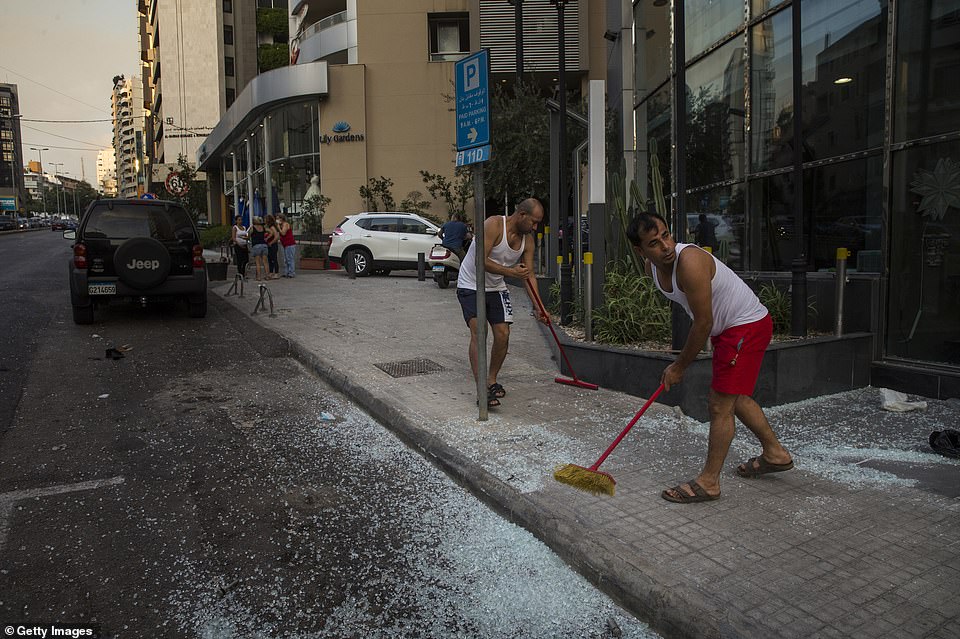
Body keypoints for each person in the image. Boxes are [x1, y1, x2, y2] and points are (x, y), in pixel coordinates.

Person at [625, 211, 793, 503]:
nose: (665, 246)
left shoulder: (689, 262)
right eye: (654, 243)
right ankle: (775, 453)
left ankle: (709, 482)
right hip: (729, 329)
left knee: (719, 403)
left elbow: (702, 322)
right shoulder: (654, 267)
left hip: (744, 327)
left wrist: (679, 367)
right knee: (733, 396)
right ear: (641, 251)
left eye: (666, 235)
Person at [456, 198, 549, 409]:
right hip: (471, 283)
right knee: (479, 332)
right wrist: (511, 272)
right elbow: (481, 260)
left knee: (503, 334)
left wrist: (539, 307)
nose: (535, 227)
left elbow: (529, 275)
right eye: (533, 222)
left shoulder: (528, 240)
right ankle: (481, 390)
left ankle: (491, 380)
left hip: (496, 287)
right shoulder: (494, 224)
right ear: (522, 214)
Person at [248, 216, 269, 281]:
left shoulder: (252, 228)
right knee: (265, 262)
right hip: (264, 245)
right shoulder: (263, 227)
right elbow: (270, 231)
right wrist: (266, 238)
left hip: (256, 246)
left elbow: (248, 235)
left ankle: (259, 277)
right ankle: (267, 276)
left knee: (258, 262)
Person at [277, 214, 297, 278]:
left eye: (278, 218)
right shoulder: (281, 225)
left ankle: (291, 272)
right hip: (285, 244)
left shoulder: (285, 224)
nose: (277, 220)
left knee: (289, 259)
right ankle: (286, 272)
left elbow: (283, 233)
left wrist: (278, 227)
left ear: (281, 219)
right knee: (285, 259)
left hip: (289, 244)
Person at [264, 214, 281, 280]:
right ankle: (271, 272)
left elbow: (276, 236)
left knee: (274, 258)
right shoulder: (268, 227)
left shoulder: (272, 227)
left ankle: (276, 273)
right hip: (269, 245)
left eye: (265, 219)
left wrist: (271, 242)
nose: (264, 220)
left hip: (273, 245)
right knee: (270, 259)